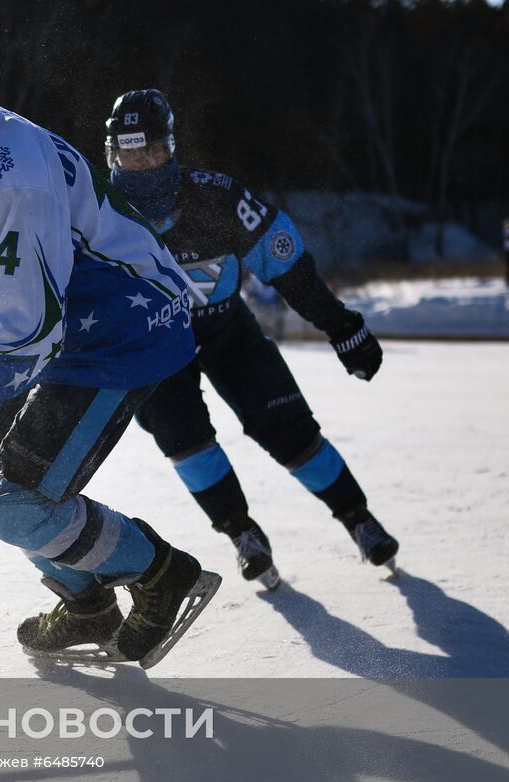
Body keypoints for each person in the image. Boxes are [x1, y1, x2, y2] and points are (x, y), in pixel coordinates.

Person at [0, 13, 219, 664]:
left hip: (124, 330)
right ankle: (88, 604)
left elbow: (24, 330)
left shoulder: (12, 173)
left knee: (15, 506)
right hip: (74, 325)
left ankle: (164, 576)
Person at [104, 88, 398, 587]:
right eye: (126, 153)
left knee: (288, 429)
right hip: (153, 351)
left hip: (227, 333)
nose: (139, 164)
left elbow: (287, 266)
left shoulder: (216, 197)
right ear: (112, 155)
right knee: (184, 440)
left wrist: (340, 324)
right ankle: (243, 533)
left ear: (169, 149)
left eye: (149, 150)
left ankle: (358, 518)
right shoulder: (94, 211)